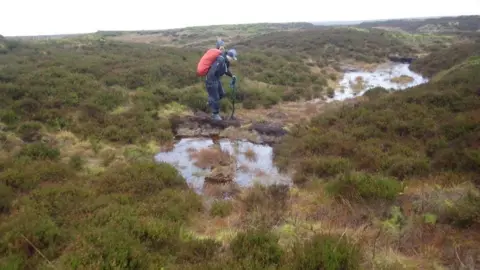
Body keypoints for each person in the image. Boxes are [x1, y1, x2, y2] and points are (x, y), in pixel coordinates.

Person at [205, 47, 237, 121]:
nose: (232, 60)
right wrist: (212, 81)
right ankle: (215, 114)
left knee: (221, 94)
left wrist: (232, 76)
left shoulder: (225, 61)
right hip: (211, 80)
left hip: (216, 79)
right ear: (230, 56)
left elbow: (225, 70)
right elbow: (213, 70)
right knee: (215, 97)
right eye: (233, 58)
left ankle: (210, 102)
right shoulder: (220, 59)